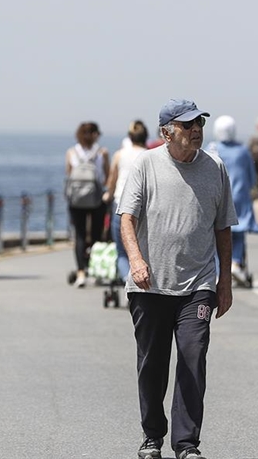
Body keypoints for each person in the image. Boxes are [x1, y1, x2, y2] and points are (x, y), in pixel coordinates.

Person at [117, 98, 236, 459]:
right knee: (152, 363)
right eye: (187, 125)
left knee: (192, 356)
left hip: (197, 286)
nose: (196, 129)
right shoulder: (145, 164)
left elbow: (224, 229)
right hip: (150, 284)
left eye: (199, 122)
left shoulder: (214, 168)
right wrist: (136, 260)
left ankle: (186, 444)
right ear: (166, 133)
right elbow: (126, 218)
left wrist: (224, 282)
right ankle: (152, 436)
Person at [208, 115, 258, 286]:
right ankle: (236, 263)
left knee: (217, 234)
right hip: (240, 197)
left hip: (217, 198)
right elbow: (252, 178)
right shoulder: (243, 151)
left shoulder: (212, 149)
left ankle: (217, 271)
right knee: (238, 233)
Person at [65, 121, 110, 288]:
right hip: (97, 199)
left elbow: (69, 175)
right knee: (97, 235)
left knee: (80, 235)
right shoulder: (102, 152)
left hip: (76, 201)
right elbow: (107, 176)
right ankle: (94, 269)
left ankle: (80, 272)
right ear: (95, 134)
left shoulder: (71, 152)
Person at [104, 119, 148, 282]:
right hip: (144, 206)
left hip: (121, 205)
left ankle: (127, 282)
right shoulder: (149, 155)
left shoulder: (120, 154)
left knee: (122, 251)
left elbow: (111, 181)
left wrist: (107, 195)